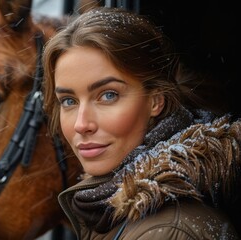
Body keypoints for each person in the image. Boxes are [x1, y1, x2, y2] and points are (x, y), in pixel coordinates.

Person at [42, 7, 241, 240]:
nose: (81, 124)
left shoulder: (168, 231)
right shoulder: (104, 206)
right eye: (68, 101)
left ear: (156, 100)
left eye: (108, 95)